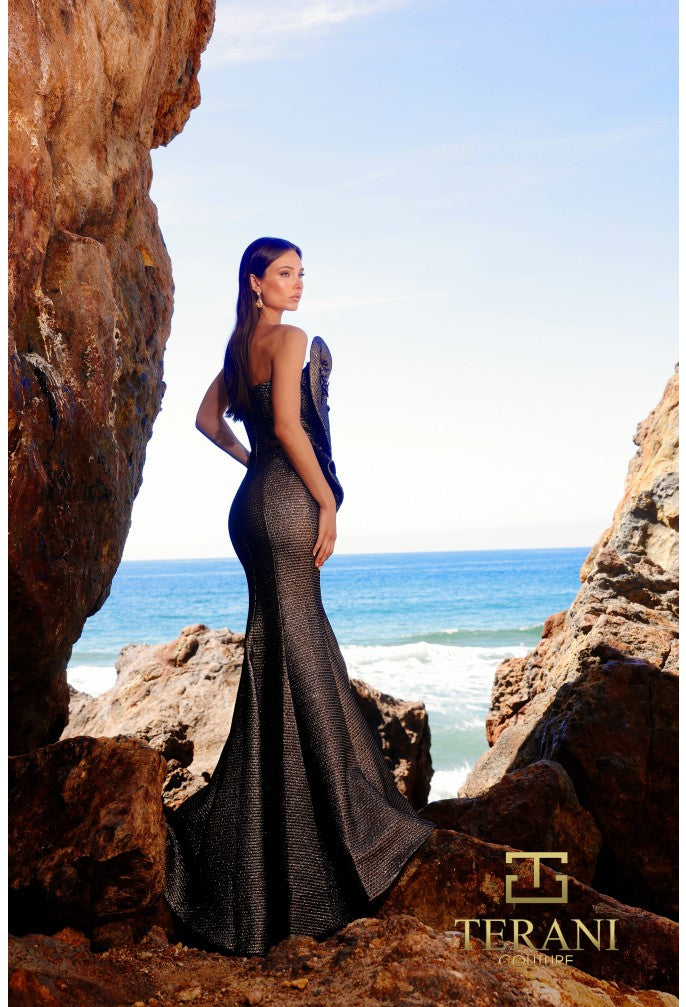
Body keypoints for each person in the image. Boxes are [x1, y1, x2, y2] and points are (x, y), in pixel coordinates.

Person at [163, 236, 437, 957]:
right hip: (287, 507)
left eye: (302, 273)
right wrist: (325, 502)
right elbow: (288, 422)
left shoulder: (236, 345)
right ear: (256, 282)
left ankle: (273, 861)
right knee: (305, 659)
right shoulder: (287, 338)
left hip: (250, 507)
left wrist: (251, 465)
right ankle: (343, 841)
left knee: (277, 664)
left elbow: (204, 420)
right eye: (285, 273)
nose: (298, 284)